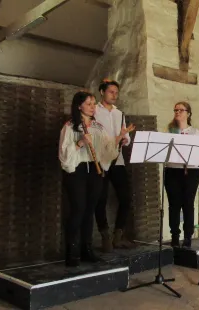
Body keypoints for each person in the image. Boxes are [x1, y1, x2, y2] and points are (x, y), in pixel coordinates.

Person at [59, 91, 122, 267]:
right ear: (79, 106)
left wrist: (118, 139)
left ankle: (86, 249)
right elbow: (64, 155)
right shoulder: (70, 126)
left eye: (94, 103)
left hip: (95, 171)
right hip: (77, 171)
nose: (93, 107)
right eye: (89, 104)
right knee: (78, 209)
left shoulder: (98, 127)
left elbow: (107, 150)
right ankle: (72, 252)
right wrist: (79, 143)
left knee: (89, 211)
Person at [94, 79, 136, 252]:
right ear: (102, 92)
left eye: (116, 92)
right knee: (100, 199)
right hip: (100, 160)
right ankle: (105, 236)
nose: (114, 95)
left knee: (126, 198)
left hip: (117, 160)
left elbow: (126, 137)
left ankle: (118, 236)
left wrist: (125, 138)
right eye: (111, 91)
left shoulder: (120, 114)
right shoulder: (94, 110)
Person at [166, 101, 199, 248]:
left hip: (191, 171)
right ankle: (175, 235)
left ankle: (188, 237)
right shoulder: (169, 131)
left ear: (188, 113)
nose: (178, 112)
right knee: (174, 205)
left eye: (181, 110)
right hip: (172, 171)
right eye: (175, 110)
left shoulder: (195, 132)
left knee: (188, 205)